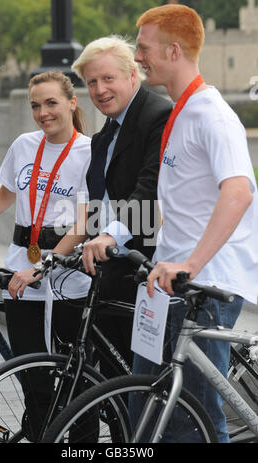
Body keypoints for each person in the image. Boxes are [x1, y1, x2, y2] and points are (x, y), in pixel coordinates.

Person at [131, 4, 258, 442]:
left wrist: (190, 264)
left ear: (172, 50)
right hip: (168, 283)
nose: (137, 56)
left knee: (193, 422)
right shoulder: (180, 112)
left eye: (143, 47)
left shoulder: (212, 114)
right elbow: (175, 203)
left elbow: (239, 192)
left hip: (204, 286)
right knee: (148, 412)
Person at [0, 70, 92, 440]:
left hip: (66, 279)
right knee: (31, 379)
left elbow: (83, 224)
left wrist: (44, 267)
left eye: (51, 103)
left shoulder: (88, 152)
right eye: (36, 105)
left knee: (74, 384)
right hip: (21, 274)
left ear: (72, 102)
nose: (43, 112)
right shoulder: (23, 145)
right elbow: (5, 194)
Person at [67, 35, 172, 376]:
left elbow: (150, 188)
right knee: (112, 383)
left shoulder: (158, 115)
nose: (99, 90)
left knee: (145, 385)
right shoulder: (103, 137)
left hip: (151, 269)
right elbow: (98, 203)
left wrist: (110, 236)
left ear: (132, 76)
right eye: (92, 82)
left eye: (107, 78)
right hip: (110, 270)